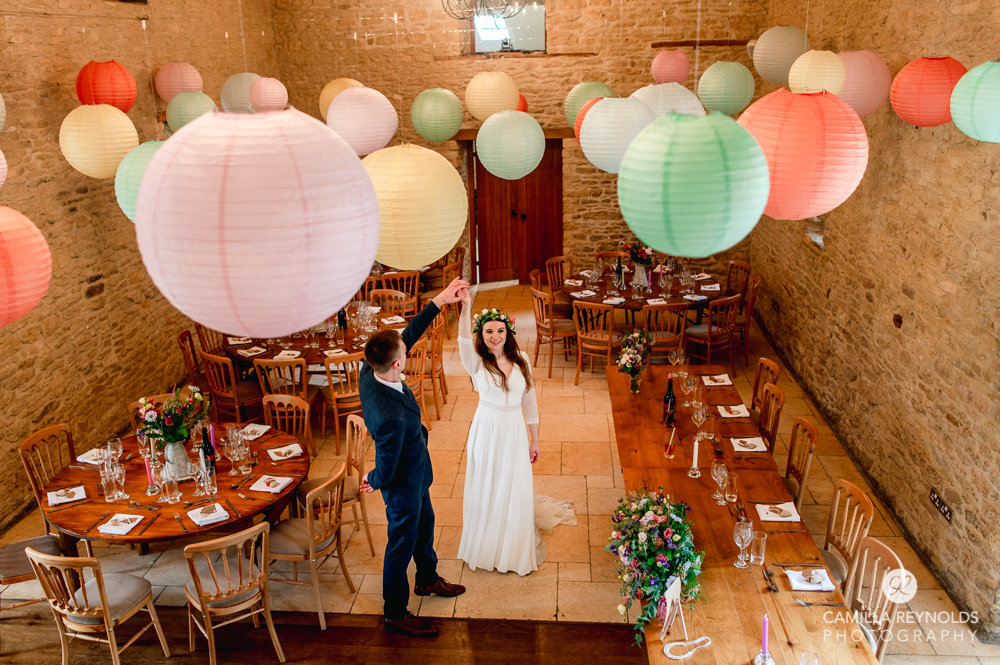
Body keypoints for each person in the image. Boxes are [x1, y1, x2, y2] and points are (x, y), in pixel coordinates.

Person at [358, 276, 469, 637]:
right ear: (397, 367)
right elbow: (386, 468)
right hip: (402, 486)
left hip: (416, 472)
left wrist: (440, 300)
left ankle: (427, 578)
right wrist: (372, 481)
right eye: (403, 354)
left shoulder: (369, 368)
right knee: (399, 548)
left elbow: (408, 334)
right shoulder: (390, 418)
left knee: (427, 525)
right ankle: (394, 613)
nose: (407, 351)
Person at [455, 293, 576, 576]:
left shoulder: (522, 360)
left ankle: (513, 545)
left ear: (508, 332)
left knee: (513, 484)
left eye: (499, 330)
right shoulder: (476, 363)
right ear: (481, 333)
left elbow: (529, 402)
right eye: (488, 331)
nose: (495, 336)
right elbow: (462, 340)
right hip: (487, 429)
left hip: (514, 430)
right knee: (489, 483)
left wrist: (535, 439)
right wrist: (465, 308)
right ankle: (488, 544)